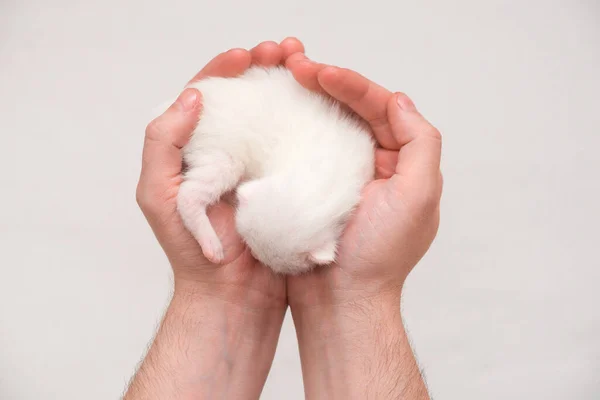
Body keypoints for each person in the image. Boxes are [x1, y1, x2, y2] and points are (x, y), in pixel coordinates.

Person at [125, 37, 442, 400]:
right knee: (226, 162)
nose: (259, 259)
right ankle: (192, 203)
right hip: (234, 116)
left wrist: (358, 293)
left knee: (231, 159)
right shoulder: (332, 178)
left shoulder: (338, 168)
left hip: (256, 115)